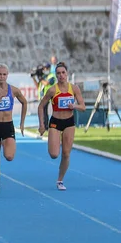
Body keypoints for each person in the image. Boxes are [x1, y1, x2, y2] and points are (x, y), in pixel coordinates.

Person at [0, 64, 28, 198]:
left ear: (7, 75)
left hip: (8, 126)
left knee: (9, 156)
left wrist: (22, 122)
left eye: (4, 74)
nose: (2, 77)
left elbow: (24, 102)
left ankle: (6, 142)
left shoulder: (13, 90)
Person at [38, 62, 85, 191]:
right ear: (56, 75)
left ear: (67, 73)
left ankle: (60, 180)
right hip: (55, 122)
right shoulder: (52, 89)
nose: (61, 75)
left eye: (63, 72)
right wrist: (41, 124)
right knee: (54, 154)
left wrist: (74, 106)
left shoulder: (74, 89)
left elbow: (83, 107)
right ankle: (55, 141)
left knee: (66, 153)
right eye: (58, 73)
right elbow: (41, 106)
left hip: (69, 122)